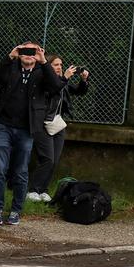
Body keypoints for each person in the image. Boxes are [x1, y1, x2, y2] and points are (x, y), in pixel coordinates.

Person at [0, 42, 64, 225]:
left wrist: (44, 62)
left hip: (26, 129)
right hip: (4, 125)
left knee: (21, 172)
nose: (29, 54)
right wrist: (10, 56)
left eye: (33, 51)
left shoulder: (41, 73)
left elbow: (56, 86)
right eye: (25, 50)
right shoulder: (11, 68)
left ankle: (15, 210)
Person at [28, 56, 90, 201]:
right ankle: (33, 190)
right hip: (43, 124)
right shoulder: (43, 80)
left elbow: (78, 91)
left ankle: (43, 190)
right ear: (48, 66)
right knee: (47, 158)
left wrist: (83, 80)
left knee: (54, 160)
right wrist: (65, 79)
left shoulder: (62, 81)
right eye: (55, 65)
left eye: (61, 64)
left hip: (57, 124)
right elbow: (52, 91)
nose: (59, 67)